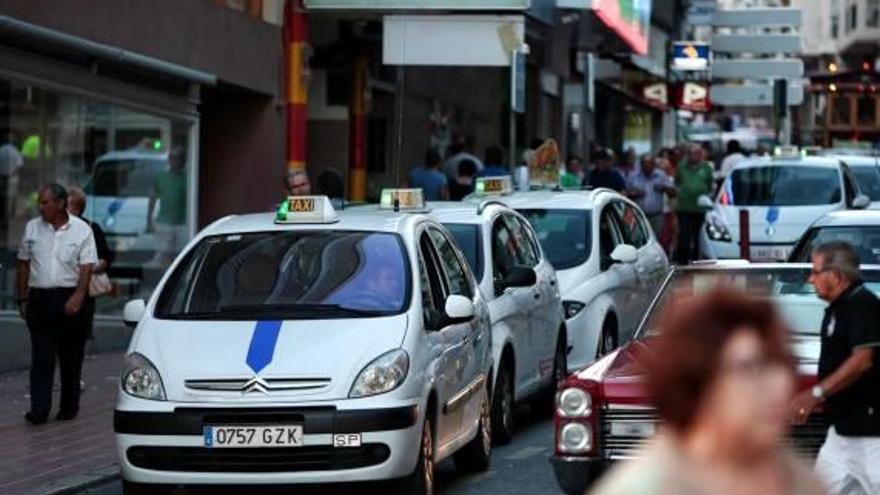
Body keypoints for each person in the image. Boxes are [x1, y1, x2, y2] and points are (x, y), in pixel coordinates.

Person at [591, 290, 824, 495]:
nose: (775, 387)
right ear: (697, 383)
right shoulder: (648, 486)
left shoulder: (791, 472)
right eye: (748, 369)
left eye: (778, 365)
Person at [790, 242, 880, 494]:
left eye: (816, 272)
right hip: (842, 432)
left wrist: (817, 392)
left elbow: (863, 359)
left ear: (836, 275)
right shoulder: (837, 310)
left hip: (872, 434)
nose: (810, 279)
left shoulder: (863, 306)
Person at [16, 184, 97, 425]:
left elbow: (87, 266)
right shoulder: (32, 228)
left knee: (70, 356)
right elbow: (23, 263)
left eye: (46, 203)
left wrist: (79, 295)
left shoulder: (82, 230)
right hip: (40, 298)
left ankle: (69, 406)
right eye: (39, 203)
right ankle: (39, 408)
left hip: (69, 295)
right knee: (41, 356)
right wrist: (22, 297)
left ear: (61, 203)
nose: (41, 208)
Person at [67, 186, 113, 340]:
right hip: (61, 287)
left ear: (78, 207)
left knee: (81, 329)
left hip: (84, 288)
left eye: (68, 206)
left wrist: (91, 266)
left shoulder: (91, 228)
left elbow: (105, 258)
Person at [675, 145, 714, 265]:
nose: (695, 156)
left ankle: (696, 258)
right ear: (688, 154)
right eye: (692, 153)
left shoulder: (706, 167)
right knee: (684, 233)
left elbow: (710, 185)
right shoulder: (681, 166)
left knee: (698, 234)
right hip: (684, 206)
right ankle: (683, 259)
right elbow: (677, 181)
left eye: (697, 154)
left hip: (699, 208)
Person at [148, 148, 187, 267]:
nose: (174, 161)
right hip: (164, 223)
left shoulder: (188, 177)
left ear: (182, 161)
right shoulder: (160, 177)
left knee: (182, 255)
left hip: (183, 224)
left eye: (178, 159)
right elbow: (152, 198)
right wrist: (149, 219)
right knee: (163, 256)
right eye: (172, 158)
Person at [626, 154, 677, 239]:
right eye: (644, 164)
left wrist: (664, 188)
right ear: (641, 165)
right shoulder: (633, 175)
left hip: (656, 216)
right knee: (638, 240)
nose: (647, 166)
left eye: (649, 163)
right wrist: (634, 193)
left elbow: (673, 194)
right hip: (637, 216)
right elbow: (624, 193)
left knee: (655, 240)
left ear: (654, 165)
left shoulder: (661, 175)